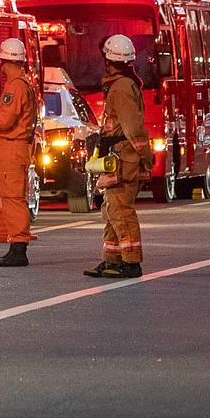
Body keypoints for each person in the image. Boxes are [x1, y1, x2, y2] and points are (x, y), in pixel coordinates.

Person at [84, 34, 149, 279]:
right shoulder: (121, 84)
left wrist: (145, 156)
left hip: (123, 157)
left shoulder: (120, 88)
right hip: (119, 155)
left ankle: (131, 262)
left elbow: (132, 129)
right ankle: (113, 259)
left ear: (108, 59)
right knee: (112, 209)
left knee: (121, 210)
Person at [0, 36, 40, 268]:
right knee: (14, 197)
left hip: (12, 147)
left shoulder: (15, 86)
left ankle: (18, 248)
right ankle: (17, 245)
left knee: (13, 199)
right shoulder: (23, 85)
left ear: (6, 61)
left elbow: (5, 121)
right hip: (17, 147)